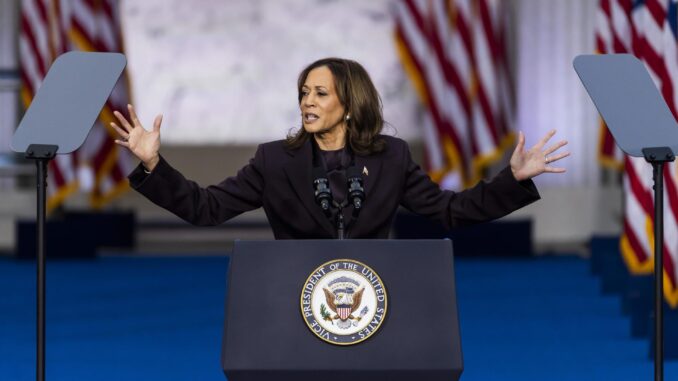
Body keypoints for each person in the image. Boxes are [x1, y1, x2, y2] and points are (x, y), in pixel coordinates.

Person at [111, 57, 569, 239]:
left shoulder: (392, 157)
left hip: (375, 304)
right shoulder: (274, 160)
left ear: (349, 104)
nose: (308, 101)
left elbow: (451, 211)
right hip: (294, 302)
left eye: (321, 93)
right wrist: (153, 163)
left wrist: (514, 180)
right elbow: (206, 208)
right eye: (304, 92)